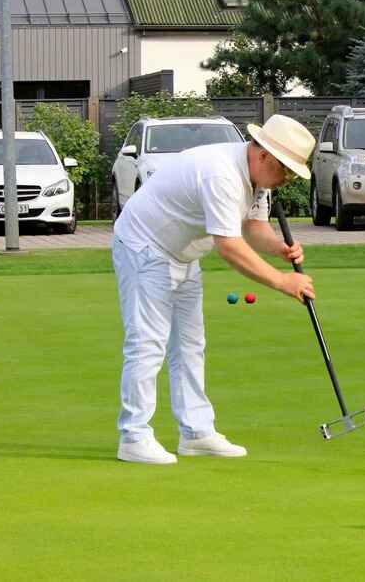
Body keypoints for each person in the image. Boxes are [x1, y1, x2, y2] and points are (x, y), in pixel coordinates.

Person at [111, 114, 316, 464]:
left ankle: (195, 431)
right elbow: (229, 247)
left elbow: (253, 228)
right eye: (287, 170)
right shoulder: (222, 173)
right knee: (148, 342)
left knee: (191, 345)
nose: (287, 180)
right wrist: (283, 281)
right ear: (264, 154)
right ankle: (134, 436)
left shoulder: (258, 181)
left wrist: (278, 249)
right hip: (144, 246)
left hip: (183, 254)